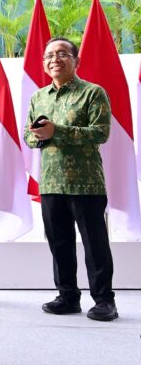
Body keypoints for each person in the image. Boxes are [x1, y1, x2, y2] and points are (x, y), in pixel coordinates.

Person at [25, 37, 117, 322]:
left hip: (86, 183)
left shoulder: (93, 93)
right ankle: (67, 296)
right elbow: (28, 136)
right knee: (59, 243)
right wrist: (38, 135)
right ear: (44, 64)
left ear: (76, 61)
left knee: (95, 244)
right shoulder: (38, 97)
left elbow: (100, 133)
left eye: (63, 54)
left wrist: (58, 131)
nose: (55, 59)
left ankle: (104, 301)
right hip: (51, 182)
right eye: (50, 55)